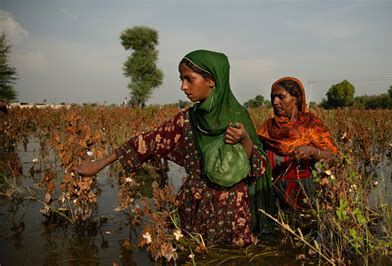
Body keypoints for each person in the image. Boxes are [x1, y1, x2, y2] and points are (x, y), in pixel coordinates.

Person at [72, 50, 275, 246]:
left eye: (189, 79)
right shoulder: (187, 120)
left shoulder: (238, 117)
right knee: (193, 251)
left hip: (232, 211)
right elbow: (149, 141)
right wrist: (99, 164)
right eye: (181, 79)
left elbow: (259, 167)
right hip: (195, 206)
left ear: (212, 80)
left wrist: (245, 140)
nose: (183, 87)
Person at [257, 77, 337, 210]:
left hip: (307, 195)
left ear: (296, 99)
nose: (275, 102)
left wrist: (312, 151)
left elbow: (332, 155)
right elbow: (256, 156)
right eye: (273, 97)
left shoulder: (311, 125)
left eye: (281, 97)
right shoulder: (267, 128)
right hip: (274, 196)